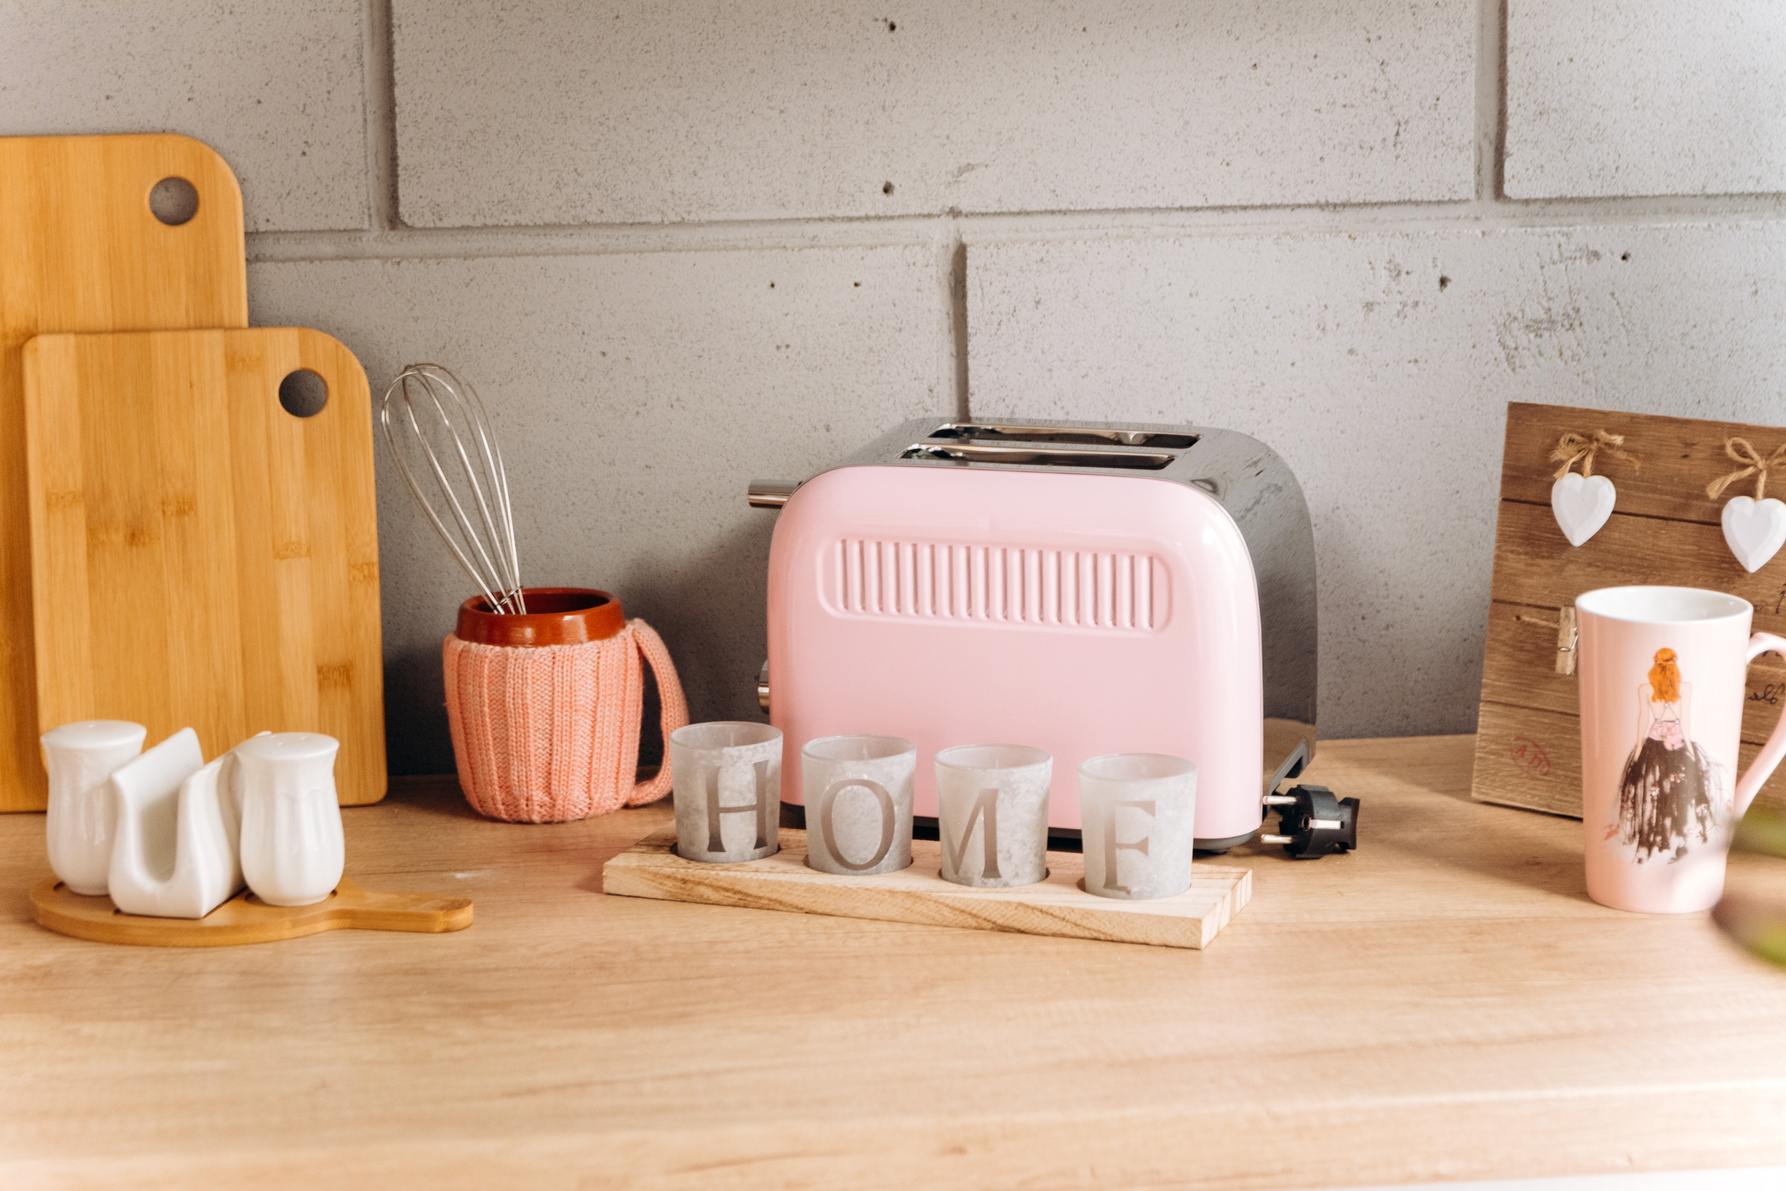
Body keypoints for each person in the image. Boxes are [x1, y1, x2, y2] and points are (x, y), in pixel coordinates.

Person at [1616, 647, 1723, 863]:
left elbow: (1644, 720)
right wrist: (1690, 751)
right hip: (1672, 746)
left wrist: (1638, 750)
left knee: (1658, 793)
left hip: (1655, 746)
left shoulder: (1647, 689)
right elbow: (1684, 722)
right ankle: (1669, 841)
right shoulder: (1683, 688)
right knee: (1671, 793)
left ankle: (1664, 841)